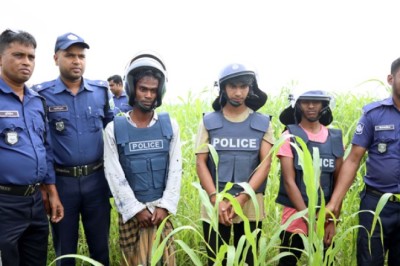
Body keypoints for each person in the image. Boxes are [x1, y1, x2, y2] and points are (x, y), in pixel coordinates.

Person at [32, 32, 114, 266]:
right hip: (62, 184)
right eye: (70, 55)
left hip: (96, 181)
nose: (77, 61)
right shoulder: (42, 95)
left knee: (101, 250)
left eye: (81, 56)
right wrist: (49, 188)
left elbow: (112, 136)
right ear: (56, 58)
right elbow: (42, 144)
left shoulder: (100, 92)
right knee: (64, 252)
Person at [103, 51, 182, 266]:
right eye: (143, 89)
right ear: (132, 89)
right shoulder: (114, 129)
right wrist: (136, 209)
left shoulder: (170, 126)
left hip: (161, 212)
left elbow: (176, 170)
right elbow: (113, 173)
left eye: (153, 90)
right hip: (132, 215)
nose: (148, 95)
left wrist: (164, 206)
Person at [195, 63, 274, 265]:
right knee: (215, 259)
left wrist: (242, 199)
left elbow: (265, 164)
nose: (238, 92)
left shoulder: (263, 123)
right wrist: (215, 198)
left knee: (247, 258)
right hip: (216, 202)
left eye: (243, 86)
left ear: (250, 88)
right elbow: (201, 163)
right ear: (223, 88)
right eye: (232, 86)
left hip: (250, 203)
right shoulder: (208, 122)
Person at [326, 57, 400, 265]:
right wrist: (334, 203)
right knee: (369, 260)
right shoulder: (373, 114)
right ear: (390, 78)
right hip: (376, 205)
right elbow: (352, 160)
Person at [0, 29, 63, 266]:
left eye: (31, 57)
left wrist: (51, 191)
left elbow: (45, 148)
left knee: (35, 260)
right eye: (18, 55)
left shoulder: (37, 101)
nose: (26, 62)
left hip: (35, 202)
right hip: (4, 204)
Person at [275, 90, 344, 265]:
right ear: (298, 104)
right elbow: (289, 182)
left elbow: (339, 183)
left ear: (324, 105)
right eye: (306, 101)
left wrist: (331, 221)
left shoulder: (335, 139)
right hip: (294, 218)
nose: (311, 106)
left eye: (316, 101)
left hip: (325, 219)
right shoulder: (288, 136)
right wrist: (309, 219)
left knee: (325, 262)